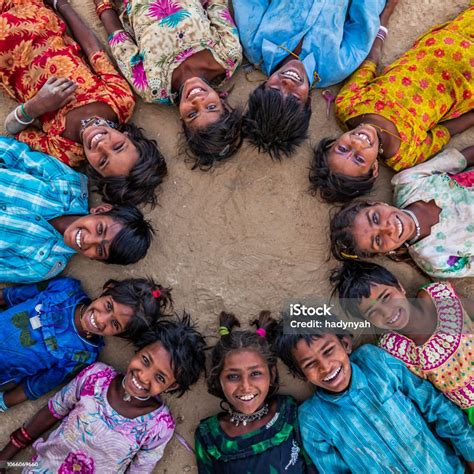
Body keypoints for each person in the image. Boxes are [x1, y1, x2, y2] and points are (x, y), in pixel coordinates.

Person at [0, 0, 167, 206]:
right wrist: (61, 5)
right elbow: (93, 50)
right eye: (118, 146)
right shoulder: (119, 101)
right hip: (35, 17)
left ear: (95, 172)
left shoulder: (65, 151)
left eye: (103, 161)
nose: (101, 145)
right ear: (128, 136)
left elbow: (14, 130)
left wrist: (37, 106)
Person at [0, 314, 206, 473]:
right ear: (138, 350)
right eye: (145, 360)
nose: (143, 377)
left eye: (160, 378)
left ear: (171, 387)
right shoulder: (95, 377)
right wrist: (7, 456)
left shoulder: (159, 426)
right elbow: (54, 410)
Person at [310, 5, 474, 202]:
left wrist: (385, 15)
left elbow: (371, 61)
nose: (357, 144)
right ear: (374, 169)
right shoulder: (404, 156)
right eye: (359, 159)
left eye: (343, 149)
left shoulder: (348, 106)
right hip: (468, 83)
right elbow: (445, 131)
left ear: (332, 143)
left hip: (447, 40)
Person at [273, 314, 474, 472]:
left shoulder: (376, 362)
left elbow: (436, 406)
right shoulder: (313, 419)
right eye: (310, 364)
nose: (325, 367)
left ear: (345, 344)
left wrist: (471, 454)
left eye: (328, 351)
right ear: (300, 374)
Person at [233, 0, 393, 159]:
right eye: (295, 98)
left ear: (263, 86)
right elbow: (364, 20)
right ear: (307, 102)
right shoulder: (337, 66)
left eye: (275, 90)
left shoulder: (255, 44)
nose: (287, 84)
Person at [94, 0, 242, 169]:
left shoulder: (152, 88)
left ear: (182, 118)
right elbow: (217, 5)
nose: (197, 100)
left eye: (192, 114)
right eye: (211, 107)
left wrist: (102, 4)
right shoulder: (228, 54)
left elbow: (120, 42)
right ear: (222, 100)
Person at [0, 276, 172, 412]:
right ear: (108, 290)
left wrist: (5, 402)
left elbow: (39, 384)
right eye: (108, 306)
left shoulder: (83, 355)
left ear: (120, 334)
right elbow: (12, 296)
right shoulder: (65, 288)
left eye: (115, 324)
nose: (101, 318)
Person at [330, 260, 474, 424]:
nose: (386, 312)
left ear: (400, 287)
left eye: (386, 297)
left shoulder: (439, 295)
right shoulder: (393, 350)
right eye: (372, 312)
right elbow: (428, 398)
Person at [0, 137, 153, 283]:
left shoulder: (43, 266)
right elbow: (17, 154)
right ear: (100, 210)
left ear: (96, 259)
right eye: (100, 229)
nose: (89, 240)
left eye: (100, 250)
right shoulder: (67, 182)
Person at [194, 311, 315, 473]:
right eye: (233, 376)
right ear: (218, 380)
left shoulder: (288, 414)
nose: (245, 386)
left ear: (271, 375)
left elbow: (314, 466)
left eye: (255, 373)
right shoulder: (209, 437)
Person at [329, 146, 474, 278]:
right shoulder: (435, 260)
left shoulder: (408, 182)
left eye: (375, 218)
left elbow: (460, 159)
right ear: (384, 252)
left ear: (377, 204)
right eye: (378, 240)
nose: (388, 228)